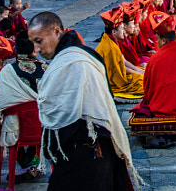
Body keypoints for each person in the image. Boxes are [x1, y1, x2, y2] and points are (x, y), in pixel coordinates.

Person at [27, 11, 137, 191]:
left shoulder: (75, 62)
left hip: (86, 150)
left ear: (56, 31)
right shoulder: (76, 57)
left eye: (39, 41)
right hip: (85, 151)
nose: (36, 49)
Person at [0, 33, 47, 184]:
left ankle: (27, 165)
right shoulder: (46, 69)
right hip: (42, 127)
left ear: (16, 49)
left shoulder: (7, 71)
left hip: (15, 127)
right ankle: (32, 164)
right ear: (35, 49)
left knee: (8, 120)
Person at [94, 9, 144, 99]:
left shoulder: (112, 41)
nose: (124, 32)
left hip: (119, 73)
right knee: (142, 83)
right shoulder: (109, 46)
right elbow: (120, 68)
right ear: (113, 32)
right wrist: (139, 73)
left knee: (143, 75)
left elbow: (123, 61)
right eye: (122, 29)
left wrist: (139, 70)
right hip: (113, 80)